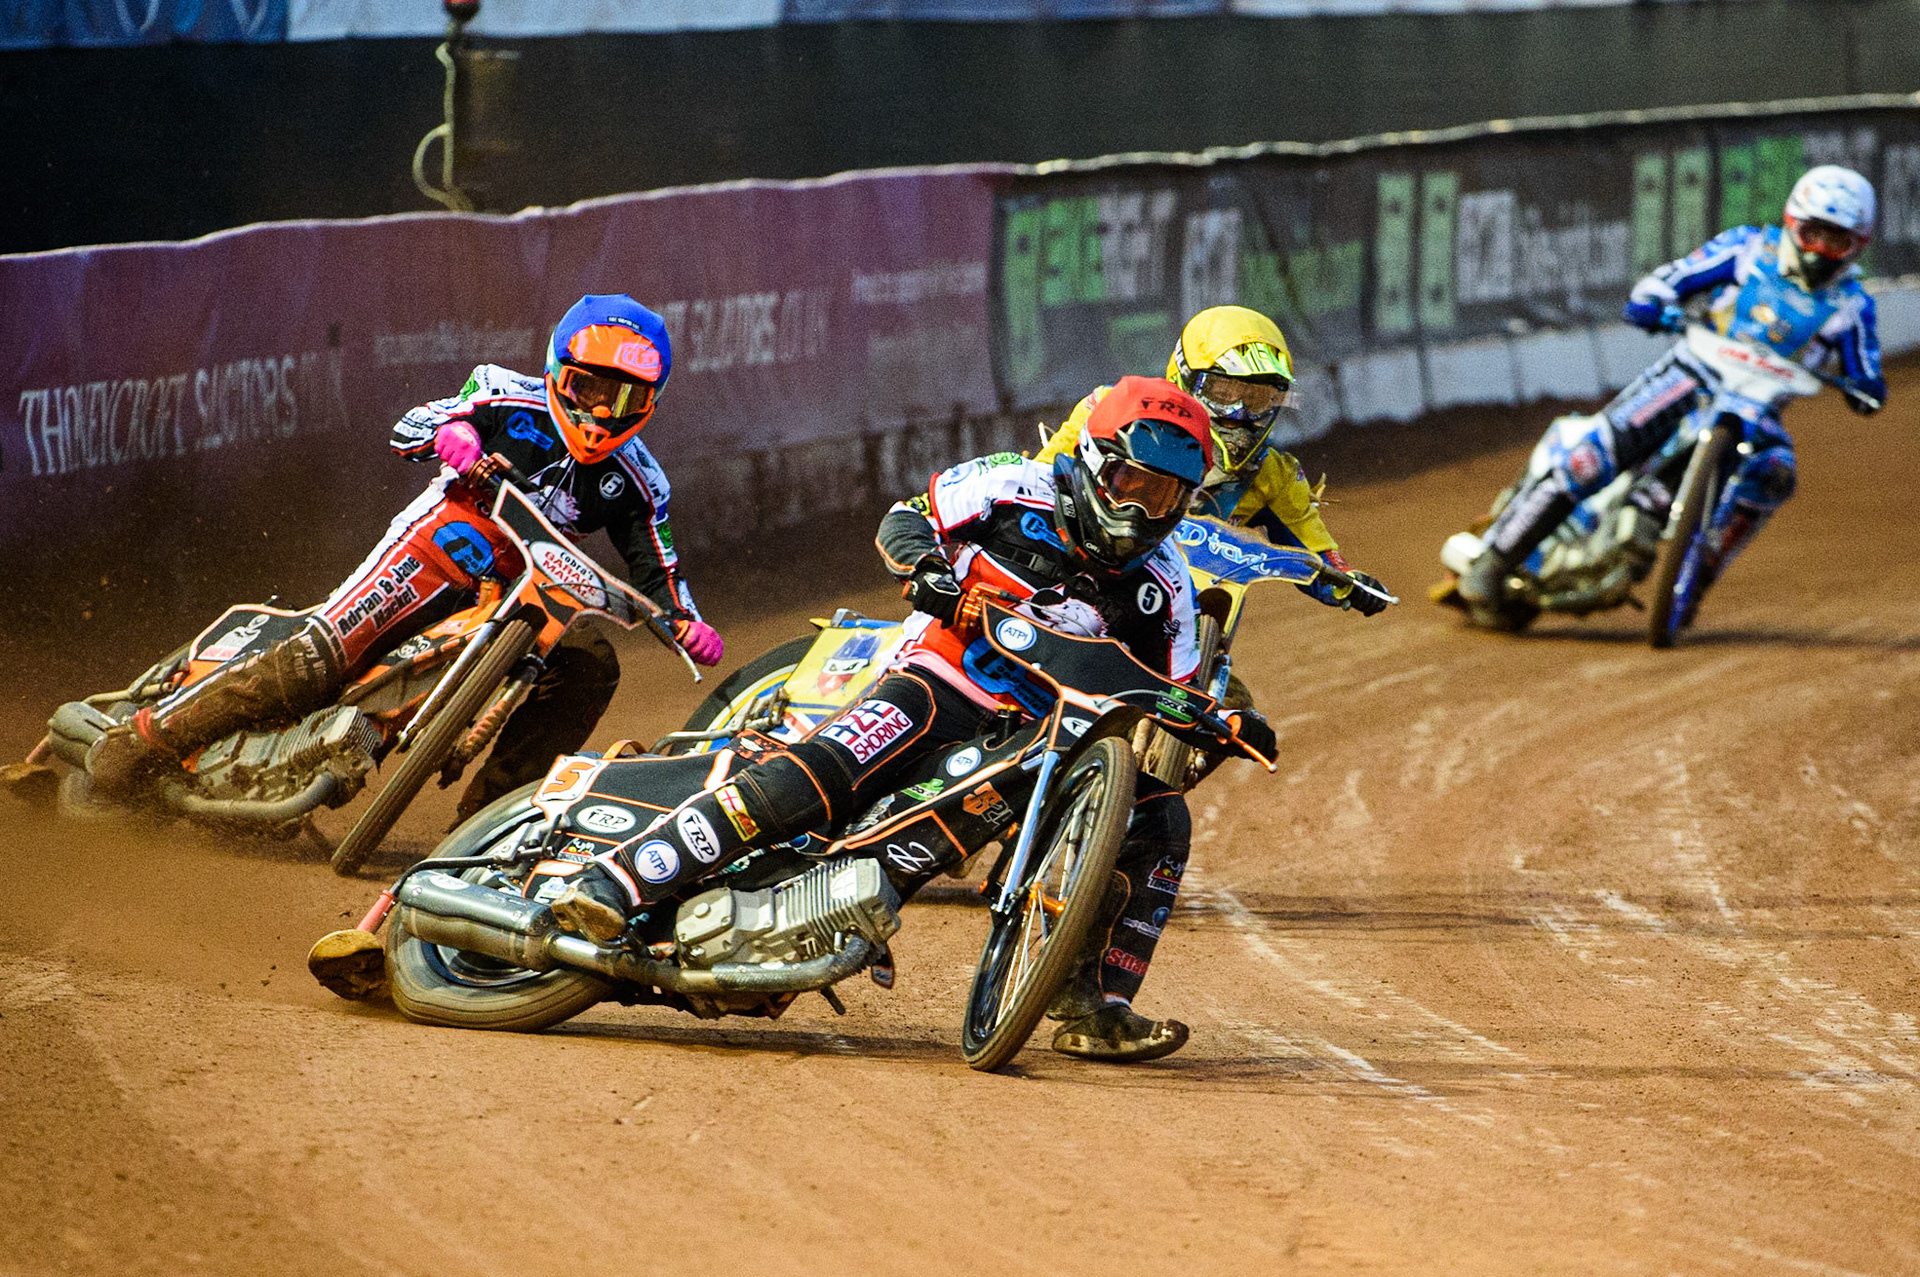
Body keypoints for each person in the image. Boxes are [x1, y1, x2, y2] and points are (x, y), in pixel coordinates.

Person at [550, 376, 1277, 1062]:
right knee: (827, 775)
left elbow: (1175, 688)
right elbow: (909, 517)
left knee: (1162, 818)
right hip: (937, 676)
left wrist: (1224, 719)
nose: (1144, 510)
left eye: (1167, 497)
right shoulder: (1015, 484)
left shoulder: (1167, 583)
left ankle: (1091, 1006)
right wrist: (930, 576)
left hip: (1037, 738)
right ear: (1091, 459)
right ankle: (621, 878)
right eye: (1131, 484)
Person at [89, 294, 726, 819]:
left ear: (650, 404)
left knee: (588, 663)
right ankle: (145, 739)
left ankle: (493, 827)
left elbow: (658, 571)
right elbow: (415, 424)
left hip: (521, 596)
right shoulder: (504, 392)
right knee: (321, 660)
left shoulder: (641, 482)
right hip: (437, 545)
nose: (599, 412)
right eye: (587, 388)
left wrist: (686, 625)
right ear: (558, 372)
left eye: (622, 400)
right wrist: (455, 434)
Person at [1455, 165, 1886, 621]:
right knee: (1591, 457)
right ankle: (1493, 560)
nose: (1820, 251)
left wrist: (1865, 391)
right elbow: (1671, 278)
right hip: (1692, 372)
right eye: (1814, 233)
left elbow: (1868, 372)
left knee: (1776, 472)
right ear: (1792, 221)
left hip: (1759, 410)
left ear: (1858, 247)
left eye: (1836, 241)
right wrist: (1652, 301)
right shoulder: (1748, 249)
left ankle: (1696, 575)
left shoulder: (1853, 306)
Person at [1035, 305, 1390, 617]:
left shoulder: (1273, 474)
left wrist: (1349, 584)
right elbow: (1033, 479)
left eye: (1258, 399)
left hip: (1166, 613)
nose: (1239, 414)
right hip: (1061, 578)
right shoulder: (1113, 409)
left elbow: (1317, 557)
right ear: (1185, 380)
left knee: (1227, 695)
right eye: (1224, 395)